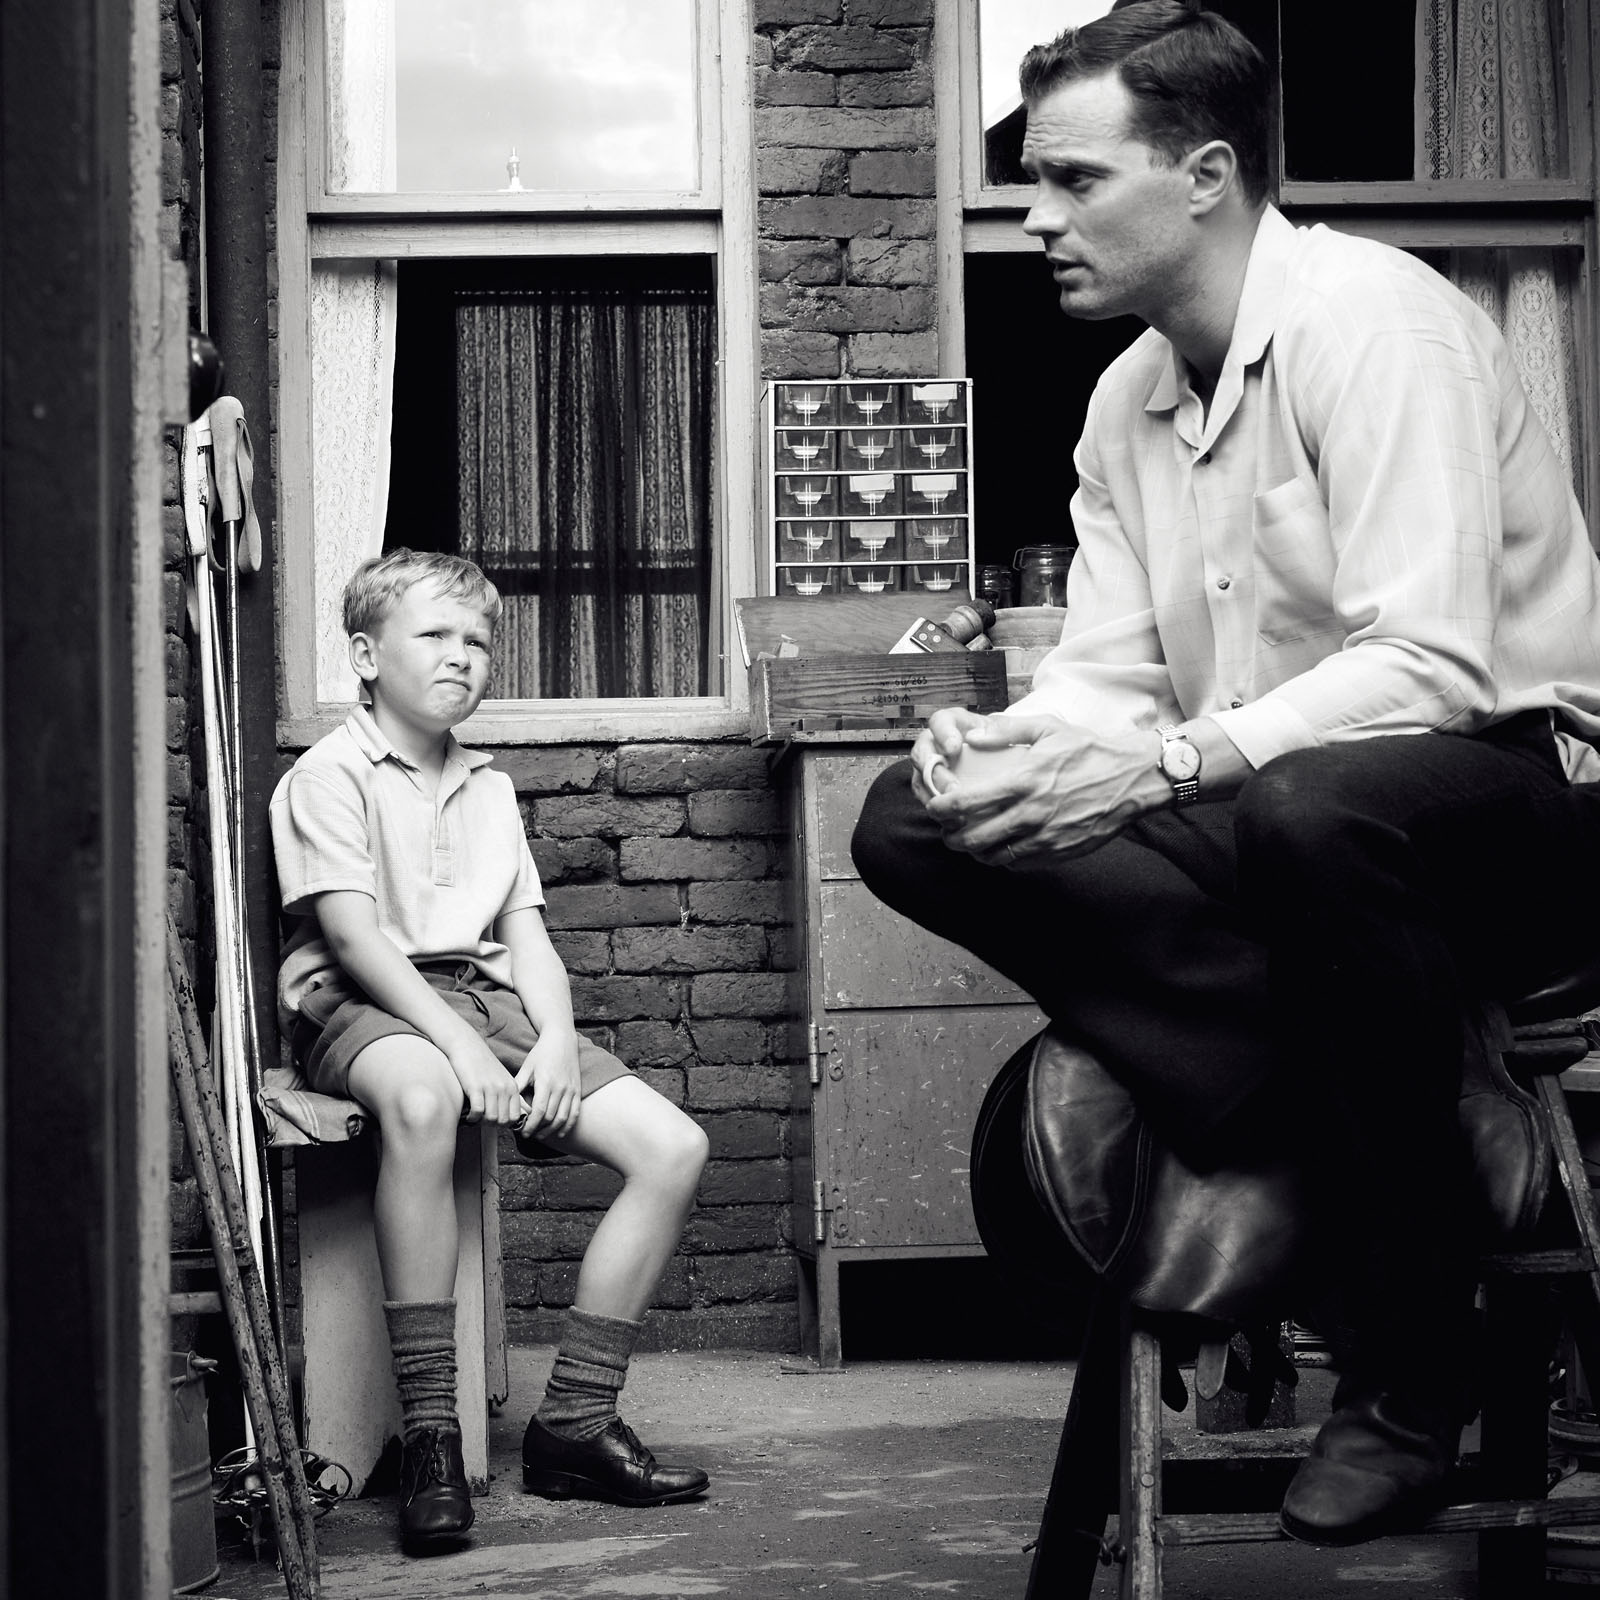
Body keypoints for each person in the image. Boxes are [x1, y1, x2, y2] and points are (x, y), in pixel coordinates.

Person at [851, 0, 1600, 1549]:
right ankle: (1349, 1119)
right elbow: (1108, 675)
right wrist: (1008, 747)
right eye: (1030, 179)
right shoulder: (1129, 398)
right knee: (916, 823)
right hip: (1273, 836)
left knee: (1310, 807)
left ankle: (1401, 1370)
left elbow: (1437, 665)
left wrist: (1164, 765)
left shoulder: (1371, 327)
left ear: (1204, 173)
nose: (1035, 215)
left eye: (1070, 178)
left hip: (1504, 803)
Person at [270, 548, 711, 1553]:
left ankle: (576, 1423)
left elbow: (528, 941)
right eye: (434, 635)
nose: (461, 656)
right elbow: (353, 939)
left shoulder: (489, 788)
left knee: (673, 1146)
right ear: (365, 655)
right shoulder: (326, 776)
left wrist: (552, 1038)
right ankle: (430, 1433)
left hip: (484, 998)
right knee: (423, 1099)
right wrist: (461, 1046)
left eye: (477, 640)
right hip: (359, 1000)